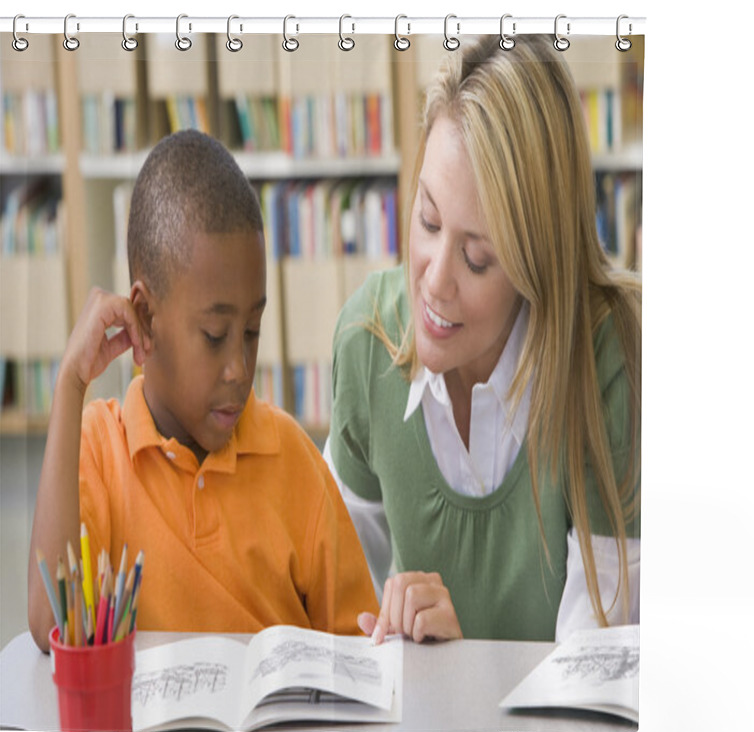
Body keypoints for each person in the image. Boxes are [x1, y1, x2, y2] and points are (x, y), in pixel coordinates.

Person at [324, 34, 641, 644]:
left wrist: (463, 668)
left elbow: (592, 670)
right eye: (427, 221)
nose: (435, 282)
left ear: (536, 265)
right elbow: (336, 605)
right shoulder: (366, 342)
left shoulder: (607, 362)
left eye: (476, 259)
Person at [28, 130, 378, 653]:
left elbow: (360, 645)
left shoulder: (293, 460)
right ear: (145, 315)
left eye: (252, 332)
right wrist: (69, 386)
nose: (239, 367)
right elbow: (50, 624)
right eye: (215, 337)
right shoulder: (99, 451)